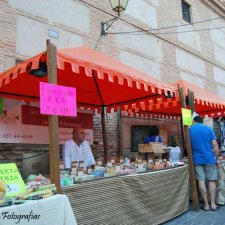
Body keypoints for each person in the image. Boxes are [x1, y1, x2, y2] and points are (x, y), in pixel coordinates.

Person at [190, 115, 219, 211]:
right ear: (202, 121)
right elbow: (215, 145)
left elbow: (187, 146)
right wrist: (217, 158)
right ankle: (213, 204)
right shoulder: (208, 129)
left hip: (196, 159)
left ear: (194, 121)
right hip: (209, 158)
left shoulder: (189, 130)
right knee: (211, 180)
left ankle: (206, 205)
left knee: (201, 180)